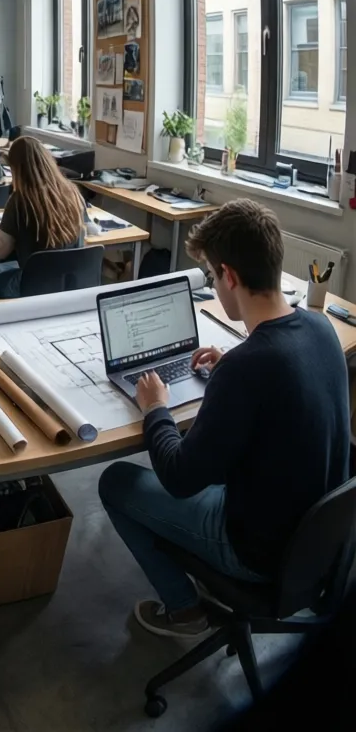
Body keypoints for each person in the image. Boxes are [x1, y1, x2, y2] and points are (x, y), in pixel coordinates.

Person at [98, 199, 350, 639]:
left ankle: (183, 609)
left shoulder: (246, 368)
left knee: (116, 482)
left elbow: (180, 477)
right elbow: (277, 373)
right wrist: (230, 364)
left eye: (213, 277)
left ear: (229, 276)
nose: (215, 285)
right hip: (314, 542)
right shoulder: (320, 328)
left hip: (257, 552)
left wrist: (155, 407)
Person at [0, 135, 88, 299]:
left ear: (17, 169)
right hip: (69, 282)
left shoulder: (19, 200)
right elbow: (85, 233)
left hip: (35, 284)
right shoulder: (73, 192)